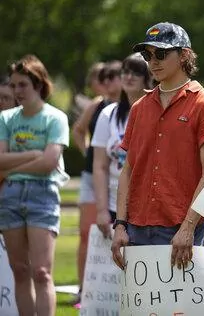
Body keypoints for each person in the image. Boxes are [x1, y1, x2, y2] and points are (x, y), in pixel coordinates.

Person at [110, 22, 204, 271]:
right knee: (142, 311)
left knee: (181, 310)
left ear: (184, 54)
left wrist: (188, 227)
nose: (153, 61)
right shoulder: (140, 107)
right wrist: (120, 224)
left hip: (180, 229)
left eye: (161, 54)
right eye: (147, 55)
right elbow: (128, 170)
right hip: (135, 228)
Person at [0, 55, 69, 315]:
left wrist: (11, 168)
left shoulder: (55, 118)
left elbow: (49, 162)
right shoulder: (6, 119)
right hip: (11, 196)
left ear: (39, 85)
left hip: (43, 194)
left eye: (23, 85)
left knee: (41, 273)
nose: (17, 91)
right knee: (20, 270)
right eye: (14, 85)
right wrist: (32, 155)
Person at [70, 61, 121, 306]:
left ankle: (110, 289)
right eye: (105, 76)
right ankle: (83, 288)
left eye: (114, 76)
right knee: (86, 233)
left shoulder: (131, 108)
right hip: (93, 176)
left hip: (116, 177)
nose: (109, 81)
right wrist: (89, 151)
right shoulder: (98, 105)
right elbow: (78, 130)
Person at [91, 53, 151, 239]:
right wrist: (101, 210)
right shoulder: (108, 114)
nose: (129, 76)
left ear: (149, 78)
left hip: (149, 205)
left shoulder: (159, 112)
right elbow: (100, 166)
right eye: (125, 71)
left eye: (136, 72)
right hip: (114, 205)